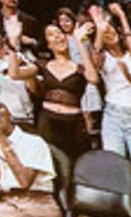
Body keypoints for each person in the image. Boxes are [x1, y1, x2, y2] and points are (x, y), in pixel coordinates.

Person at [90, 3, 131, 166]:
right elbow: (94, 63)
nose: (109, 32)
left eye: (111, 29)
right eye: (105, 33)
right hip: (113, 116)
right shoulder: (104, 57)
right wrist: (99, 30)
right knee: (115, 167)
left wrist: (122, 16)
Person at [27, 22, 100, 159]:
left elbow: (93, 78)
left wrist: (80, 42)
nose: (57, 37)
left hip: (73, 125)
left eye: (59, 33)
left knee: (74, 166)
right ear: (48, 44)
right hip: (48, 122)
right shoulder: (42, 65)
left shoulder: (80, 68)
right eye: (51, 35)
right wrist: (13, 48)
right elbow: (15, 74)